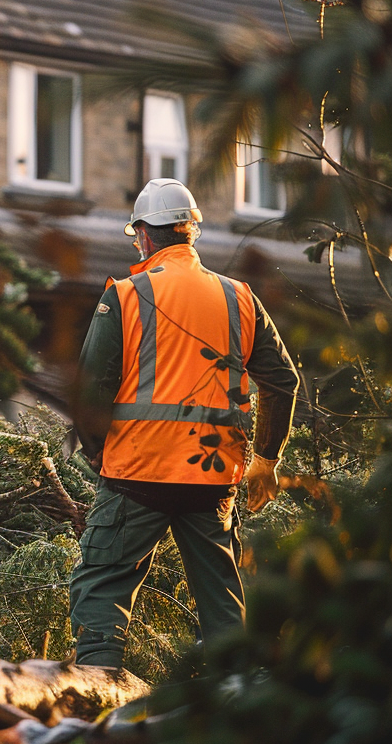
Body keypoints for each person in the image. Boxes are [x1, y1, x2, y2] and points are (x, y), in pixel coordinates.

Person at [68, 178, 299, 668]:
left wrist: (95, 451)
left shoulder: (125, 296)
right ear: (190, 232)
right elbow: (282, 382)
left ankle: (94, 688)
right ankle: (236, 704)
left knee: (103, 584)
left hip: (136, 475)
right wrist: (266, 461)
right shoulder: (239, 297)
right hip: (212, 478)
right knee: (222, 603)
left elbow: (91, 393)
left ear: (147, 237)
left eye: (137, 238)